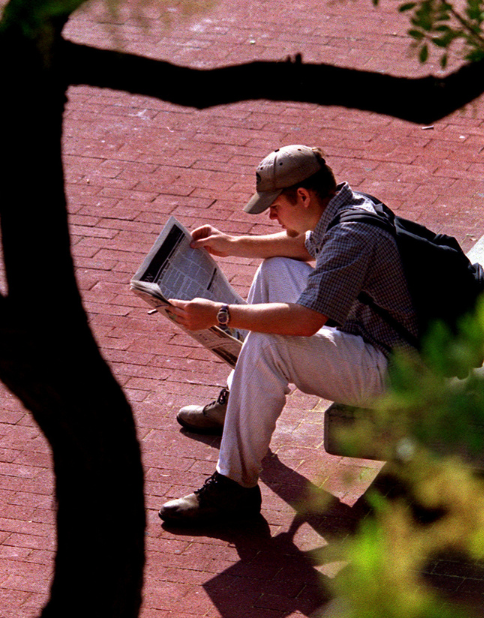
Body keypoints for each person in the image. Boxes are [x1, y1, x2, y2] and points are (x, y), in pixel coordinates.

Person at [159, 144, 417, 525]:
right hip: (379, 336)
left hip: (401, 373)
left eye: (274, 206)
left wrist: (220, 314)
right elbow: (301, 245)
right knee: (276, 267)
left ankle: (235, 488)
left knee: (268, 342)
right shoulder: (350, 207)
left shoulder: (352, 236)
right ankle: (237, 401)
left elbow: (304, 322)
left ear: (302, 195)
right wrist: (233, 244)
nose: (271, 215)